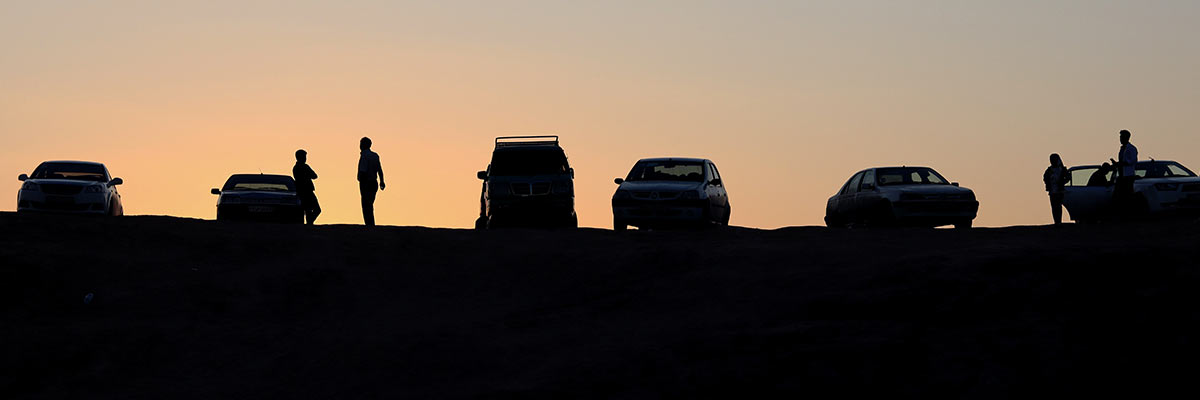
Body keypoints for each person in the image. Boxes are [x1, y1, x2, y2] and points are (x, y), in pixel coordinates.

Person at [1109, 130, 1138, 215]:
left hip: (1128, 176)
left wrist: (1119, 163)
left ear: (1127, 138)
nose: (1120, 139)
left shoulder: (1132, 148)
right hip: (1121, 175)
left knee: (1128, 196)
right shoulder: (1122, 148)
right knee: (1118, 196)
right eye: (1120, 137)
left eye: (1122, 137)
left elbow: (1131, 161)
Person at [357, 137, 385, 226]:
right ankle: (371, 224)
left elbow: (363, 171)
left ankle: (369, 225)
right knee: (370, 204)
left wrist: (362, 184)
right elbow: (379, 169)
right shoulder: (375, 156)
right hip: (374, 183)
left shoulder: (364, 156)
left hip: (366, 183)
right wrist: (382, 181)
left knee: (366, 205)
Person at [293, 149, 320, 225]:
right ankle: (309, 223)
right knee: (313, 209)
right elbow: (314, 176)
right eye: (304, 157)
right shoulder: (304, 167)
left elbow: (314, 176)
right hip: (306, 191)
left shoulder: (296, 168)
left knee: (309, 209)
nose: (305, 158)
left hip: (303, 191)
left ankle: (309, 223)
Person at [1043, 153, 1071, 225]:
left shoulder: (1062, 169)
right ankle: (1056, 221)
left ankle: (1059, 221)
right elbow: (1045, 178)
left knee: (1058, 207)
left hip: (1059, 191)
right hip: (1052, 191)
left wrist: (1062, 182)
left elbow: (1068, 177)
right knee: (1054, 207)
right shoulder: (1049, 170)